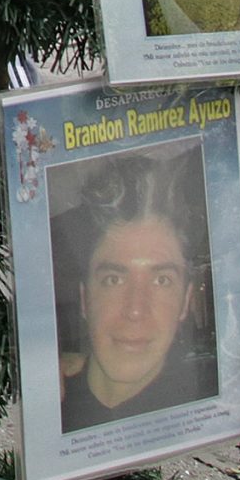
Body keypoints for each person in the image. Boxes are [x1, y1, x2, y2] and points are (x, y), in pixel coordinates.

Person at [57, 152, 217, 431]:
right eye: (113, 279)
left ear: (185, 302)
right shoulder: (48, 400)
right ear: (84, 299)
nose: (134, 310)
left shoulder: (209, 405)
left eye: (162, 281)